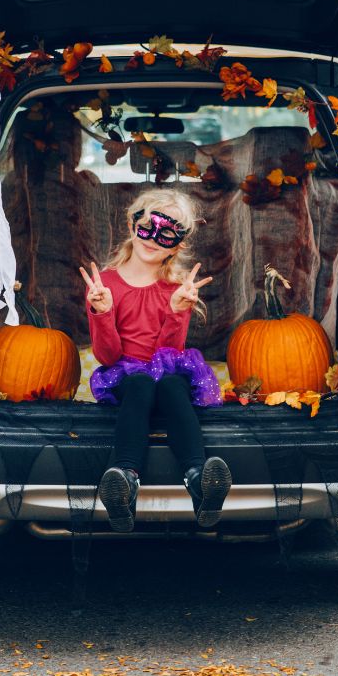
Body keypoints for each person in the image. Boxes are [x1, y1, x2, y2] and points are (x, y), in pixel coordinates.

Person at [79, 189, 231, 533]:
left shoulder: (176, 288)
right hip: (128, 379)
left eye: (167, 234)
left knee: (173, 384)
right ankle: (124, 480)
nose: (153, 239)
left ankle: (200, 480)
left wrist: (177, 310)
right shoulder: (106, 285)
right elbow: (108, 356)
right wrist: (102, 312)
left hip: (166, 380)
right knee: (141, 383)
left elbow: (169, 355)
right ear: (132, 225)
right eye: (148, 227)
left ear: (177, 245)